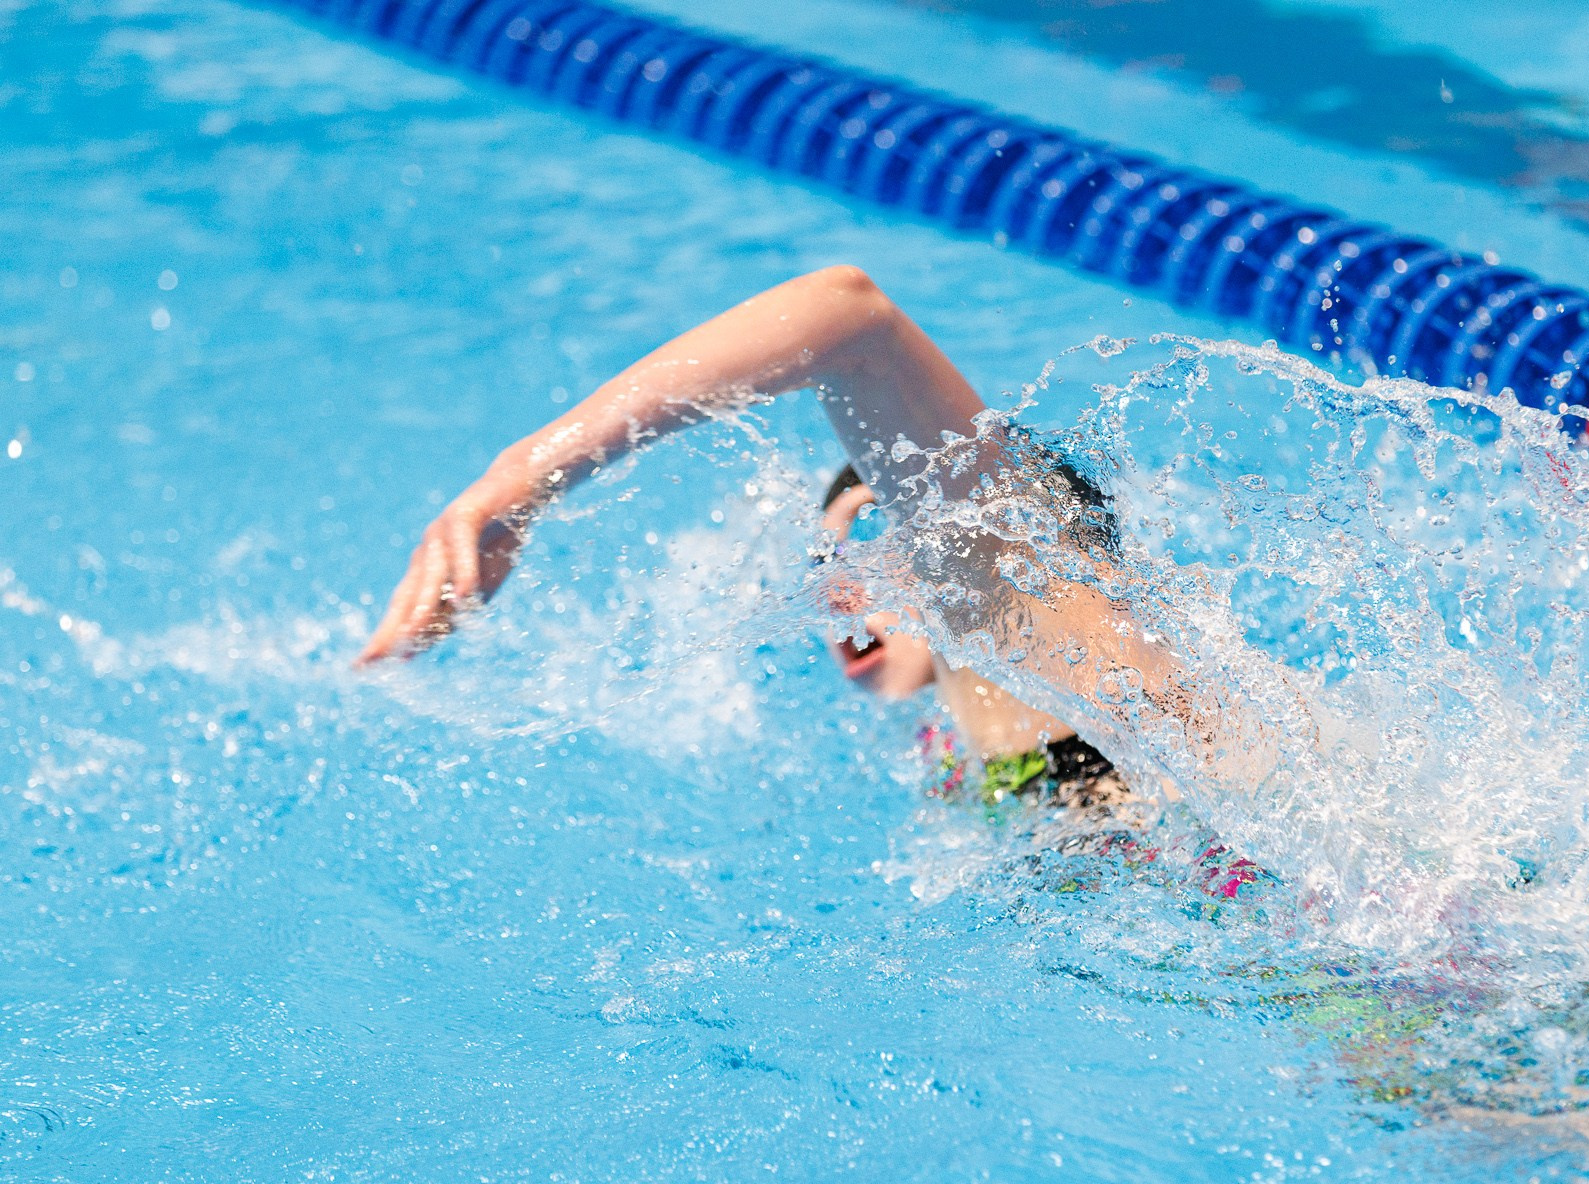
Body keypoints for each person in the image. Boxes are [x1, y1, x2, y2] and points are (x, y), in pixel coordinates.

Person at [355, 266, 1332, 829]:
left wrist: (523, 478)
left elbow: (847, 313)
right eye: (824, 558)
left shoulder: (1048, 629)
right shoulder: (973, 741)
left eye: (874, 532)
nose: (839, 590)